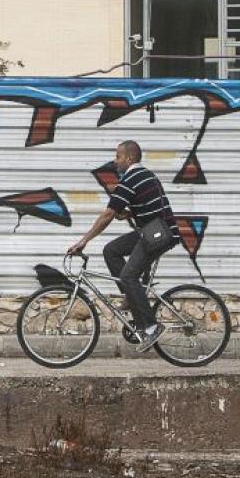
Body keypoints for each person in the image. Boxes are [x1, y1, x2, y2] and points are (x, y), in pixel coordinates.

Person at [66, 140, 178, 352]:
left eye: (118, 156)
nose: (115, 161)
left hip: (156, 235)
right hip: (151, 231)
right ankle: (130, 296)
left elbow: (107, 214)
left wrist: (84, 241)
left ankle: (151, 327)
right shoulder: (143, 175)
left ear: (129, 158)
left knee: (128, 275)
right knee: (111, 250)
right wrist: (128, 213)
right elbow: (149, 205)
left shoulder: (132, 178)